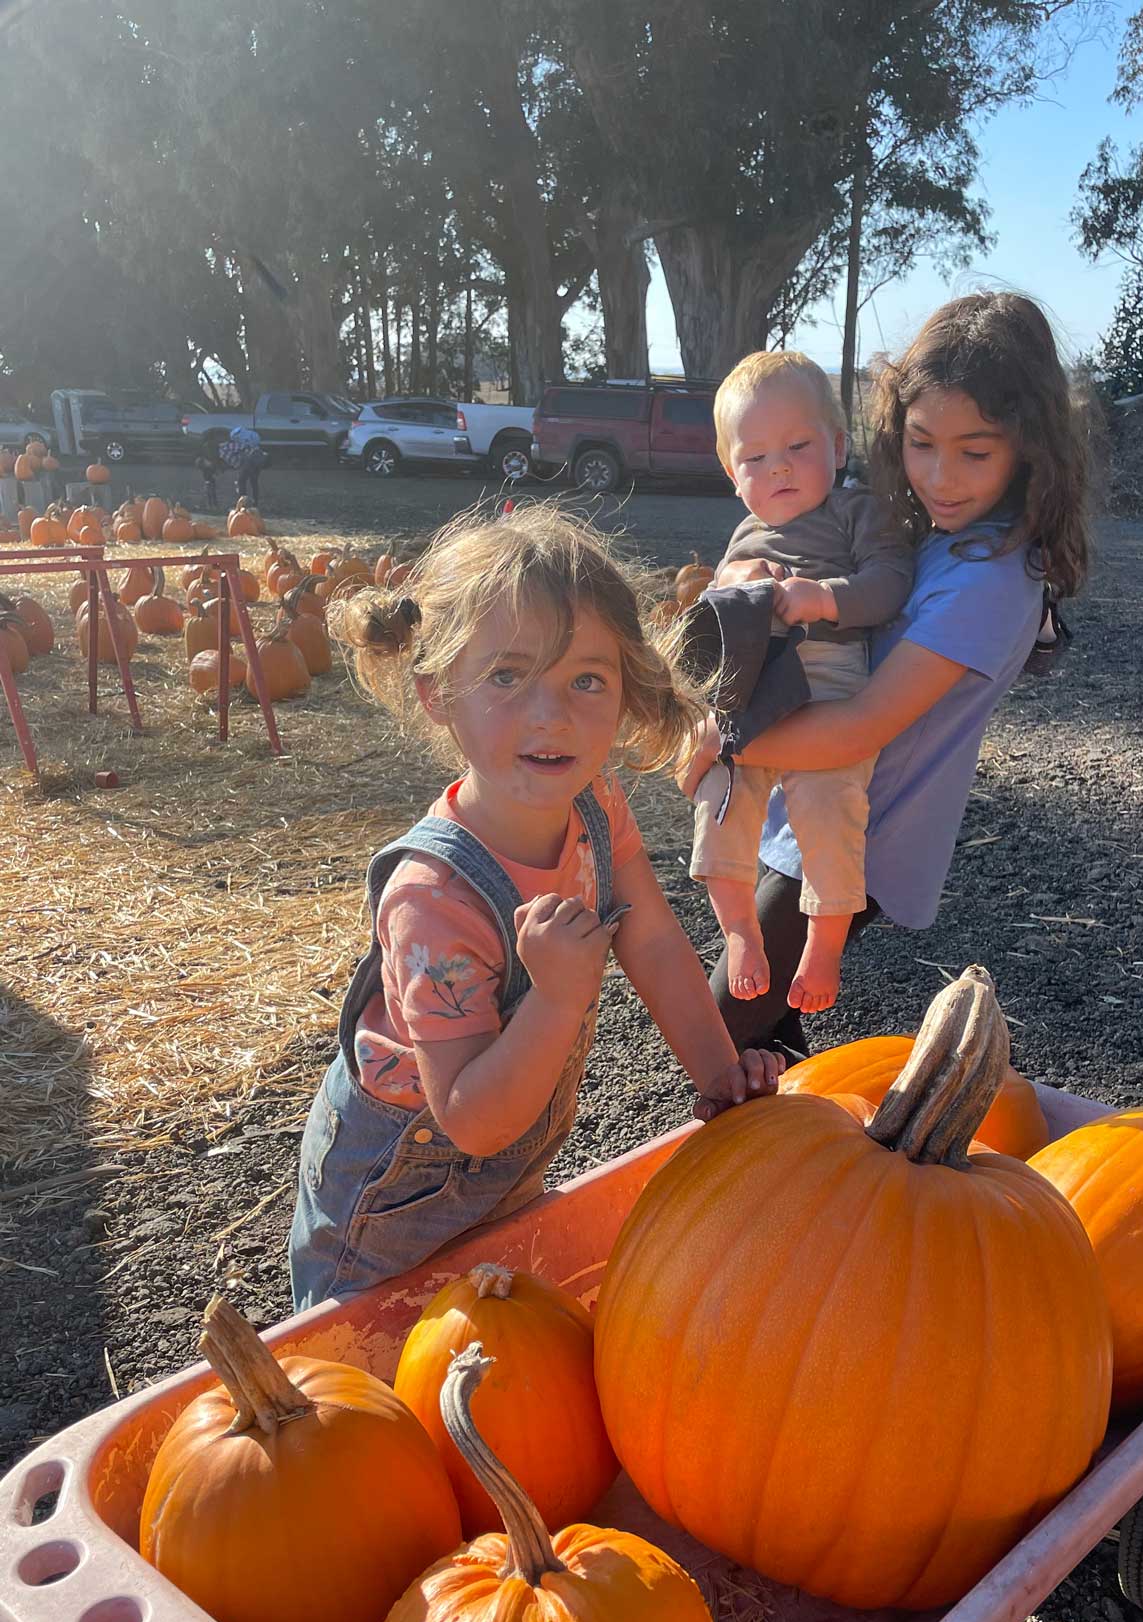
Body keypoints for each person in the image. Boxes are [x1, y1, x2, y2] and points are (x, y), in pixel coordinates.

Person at [289, 502, 783, 1309]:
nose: (551, 713)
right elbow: (471, 1119)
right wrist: (557, 996)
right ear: (438, 694)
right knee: (371, 1376)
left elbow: (653, 939)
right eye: (508, 676)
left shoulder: (596, 802)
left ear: (626, 690)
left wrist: (721, 1078)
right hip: (391, 1205)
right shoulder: (434, 901)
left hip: (501, 1167)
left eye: (586, 679)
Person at [680, 292, 1093, 1059]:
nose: (941, 476)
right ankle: (793, 1162)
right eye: (920, 442)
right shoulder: (946, 538)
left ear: (1030, 447)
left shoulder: (990, 579)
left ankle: (751, 1169)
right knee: (762, 1031)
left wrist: (720, 740)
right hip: (810, 797)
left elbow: (864, 724)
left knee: (716, 1030)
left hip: (861, 823)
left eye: (976, 452)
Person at [689, 351, 913, 1014]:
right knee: (721, 796)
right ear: (732, 475)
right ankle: (740, 931)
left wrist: (823, 597)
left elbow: (890, 582)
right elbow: (710, 612)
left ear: (838, 446)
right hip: (755, 682)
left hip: (830, 677)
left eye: (797, 446)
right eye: (754, 458)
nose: (778, 467)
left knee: (831, 803)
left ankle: (823, 942)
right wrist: (734, 585)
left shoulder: (853, 512)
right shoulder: (743, 533)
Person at [220, 425, 267, 507]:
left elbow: (231, 449)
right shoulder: (254, 439)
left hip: (247, 462)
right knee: (254, 482)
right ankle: (255, 503)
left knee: (241, 481)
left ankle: (242, 503)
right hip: (256, 460)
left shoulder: (236, 444)